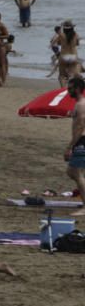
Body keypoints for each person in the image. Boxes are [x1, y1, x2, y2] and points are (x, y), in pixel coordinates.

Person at [64, 75, 85, 215]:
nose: (68, 91)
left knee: (75, 173)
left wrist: (70, 146)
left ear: (77, 89)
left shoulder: (81, 105)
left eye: (70, 88)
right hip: (81, 140)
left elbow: (81, 127)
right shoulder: (79, 104)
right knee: (75, 172)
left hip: (82, 141)